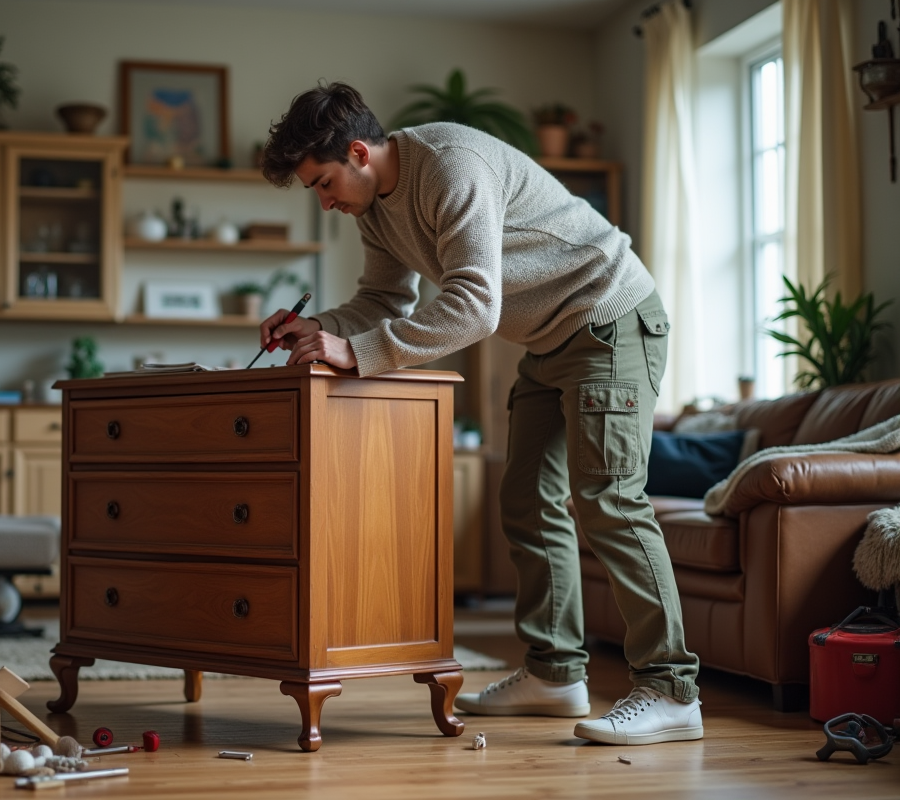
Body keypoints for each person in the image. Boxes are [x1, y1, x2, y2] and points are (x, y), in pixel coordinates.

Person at [258, 82, 702, 746]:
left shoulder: (449, 165)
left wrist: (355, 352)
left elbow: (473, 304)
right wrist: (315, 326)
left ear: (357, 152)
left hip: (610, 319)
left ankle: (672, 690)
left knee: (609, 497)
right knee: (525, 498)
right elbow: (383, 298)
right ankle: (556, 676)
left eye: (324, 184)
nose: (325, 202)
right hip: (550, 340)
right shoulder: (373, 208)